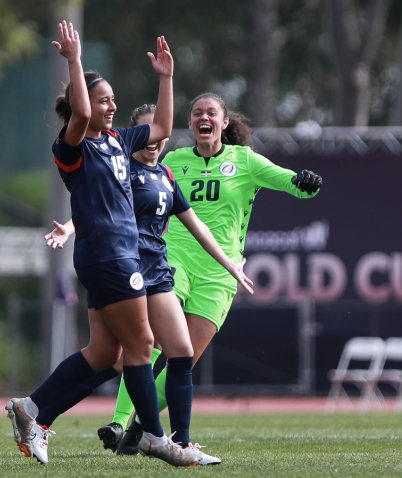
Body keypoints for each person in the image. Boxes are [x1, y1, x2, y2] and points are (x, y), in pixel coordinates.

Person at [7, 21, 201, 467]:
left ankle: (32, 409)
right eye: (103, 99)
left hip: (112, 258)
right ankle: (153, 437)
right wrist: (74, 62)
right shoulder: (72, 146)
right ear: (84, 104)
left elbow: (163, 125)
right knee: (141, 344)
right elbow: (78, 115)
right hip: (109, 256)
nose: (111, 105)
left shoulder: (118, 140)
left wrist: (166, 78)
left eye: (113, 99)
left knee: (105, 354)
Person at [96, 93, 323, 457]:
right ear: (190, 124)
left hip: (220, 274)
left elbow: (292, 184)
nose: (204, 117)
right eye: (197, 112)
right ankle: (119, 422)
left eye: (211, 112)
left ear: (224, 122)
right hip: (174, 262)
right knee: (151, 343)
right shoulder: (174, 160)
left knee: (184, 359)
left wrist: (306, 182)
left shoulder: (244, 160)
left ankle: (140, 424)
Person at [43, 104, 253, 465]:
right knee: (116, 357)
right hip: (124, 271)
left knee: (171, 354)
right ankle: (118, 428)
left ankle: (176, 441)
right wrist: (70, 227)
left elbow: (196, 226)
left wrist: (230, 263)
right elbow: (98, 206)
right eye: (149, 133)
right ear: (136, 135)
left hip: (157, 272)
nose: (156, 140)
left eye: (161, 135)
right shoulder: (122, 169)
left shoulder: (166, 176)